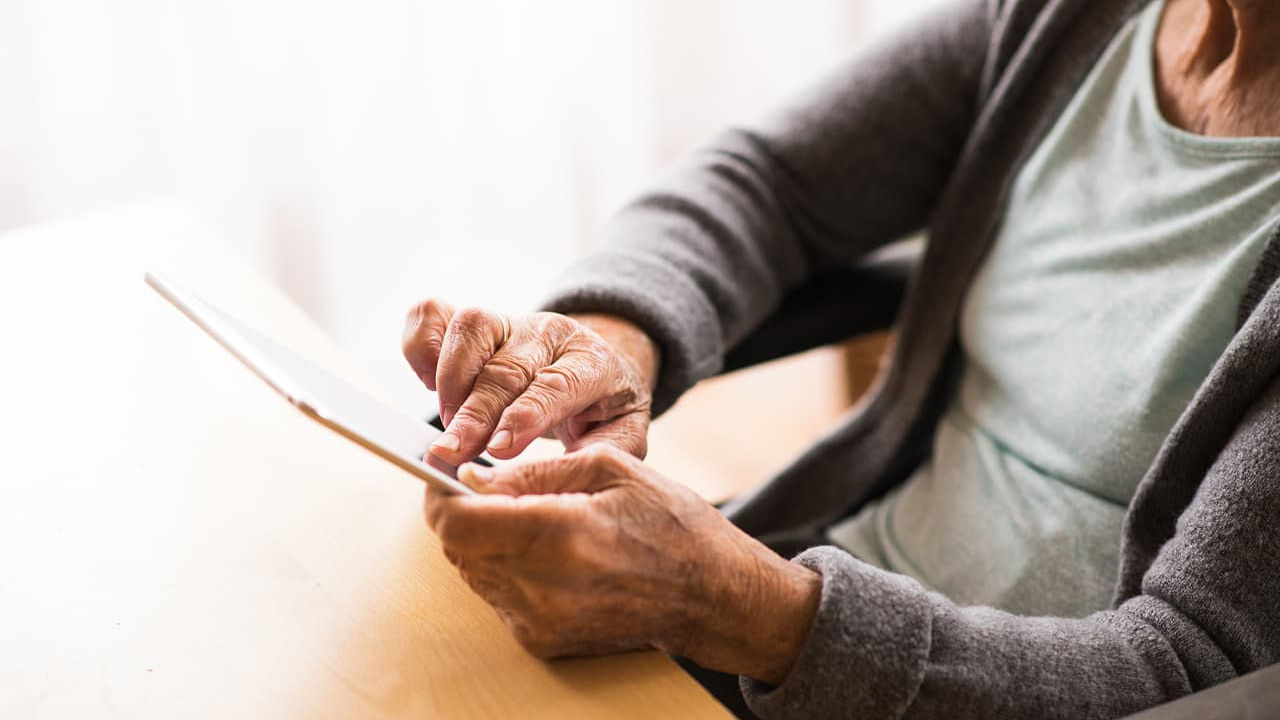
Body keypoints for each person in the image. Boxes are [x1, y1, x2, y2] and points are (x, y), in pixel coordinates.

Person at [400, 0, 1280, 717]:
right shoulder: (1070, 19)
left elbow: (1187, 668)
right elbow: (772, 183)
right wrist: (607, 340)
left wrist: (743, 608)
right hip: (805, 598)